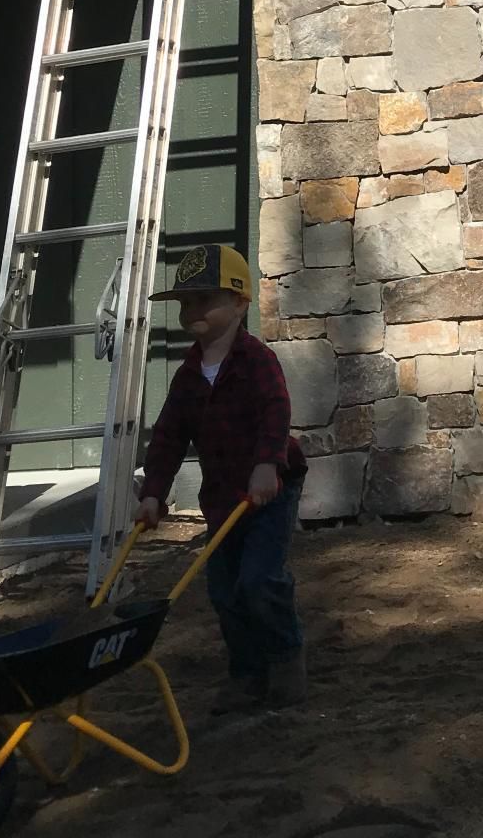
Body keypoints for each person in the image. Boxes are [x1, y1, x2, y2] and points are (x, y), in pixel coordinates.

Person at [135, 243, 307, 710]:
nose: (192, 310)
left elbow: (276, 413)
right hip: (223, 497)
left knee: (259, 580)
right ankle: (246, 674)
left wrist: (267, 465)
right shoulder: (188, 377)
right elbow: (168, 437)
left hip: (271, 489)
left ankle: (285, 660)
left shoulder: (256, 362)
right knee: (224, 590)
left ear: (239, 303)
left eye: (203, 299)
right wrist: (154, 493)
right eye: (185, 302)